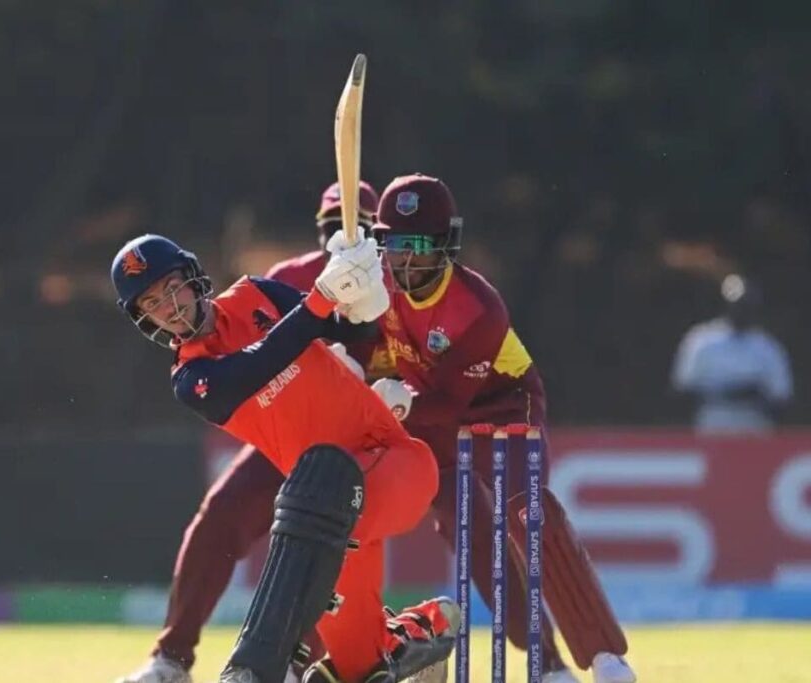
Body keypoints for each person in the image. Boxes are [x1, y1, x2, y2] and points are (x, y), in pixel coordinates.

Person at [110, 229, 458, 683]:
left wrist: (365, 295)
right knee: (362, 668)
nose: (170, 308)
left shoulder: (257, 293)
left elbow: (352, 328)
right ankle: (424, 632)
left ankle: (263, 665)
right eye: (152, 303)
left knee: (312, 500)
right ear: (145, 321)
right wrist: (322, 296)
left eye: (171, 287)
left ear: (193, 279)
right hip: (331, 520)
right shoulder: (192, 379)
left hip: (395, 464)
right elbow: (261, 361)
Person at [368, 173, 636, 683]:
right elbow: (348, 332)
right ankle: (550, 665)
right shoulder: (377, 283)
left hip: (503, 402)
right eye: (395, 245)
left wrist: (397, 400)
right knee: (466, 528)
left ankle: (604, 655)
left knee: (523, 512)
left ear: (446, 246)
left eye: (419, 246)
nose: (404, 260)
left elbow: (447, 403)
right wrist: (341, 286)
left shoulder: (478, 308)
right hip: (426, 412)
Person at [671, 273, 793, 433]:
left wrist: (753, 394)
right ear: (726, 304)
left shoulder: (767, 347)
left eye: (745, 305)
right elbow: (683, 388)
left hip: (753, 426)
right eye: (737, 305)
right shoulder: (702, 341)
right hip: (712, 424)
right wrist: (725, 391)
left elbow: (781, 396)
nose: (740, 310)